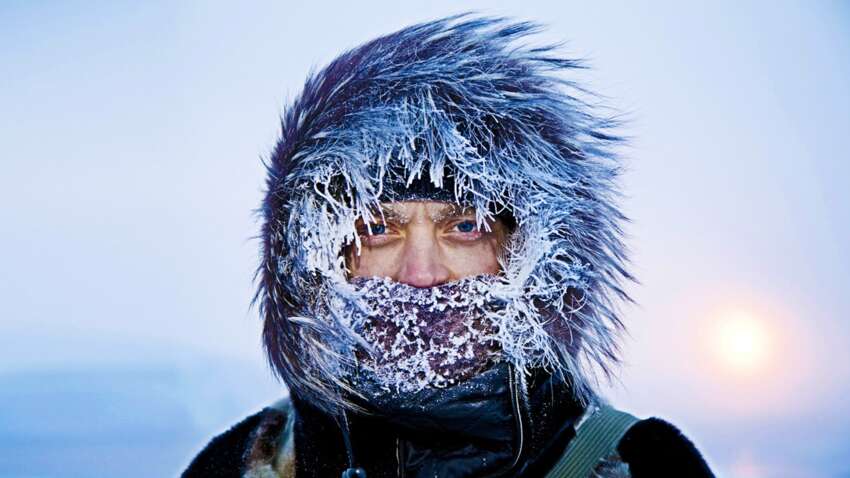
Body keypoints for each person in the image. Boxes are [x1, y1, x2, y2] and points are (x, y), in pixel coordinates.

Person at [182, 13, 716, 478]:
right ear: (323, 257)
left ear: (528, 252)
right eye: (377, 229)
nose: (421, 272)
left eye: (464, 228)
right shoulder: (242, 462)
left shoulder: (647, 464)